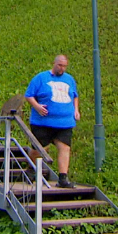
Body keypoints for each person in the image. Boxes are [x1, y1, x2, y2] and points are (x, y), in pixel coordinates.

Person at [25, 54, 80, 188]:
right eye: (59, 65)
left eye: (64, 66)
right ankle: (31, 170)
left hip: (65, 122)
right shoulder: (41, 78)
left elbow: (75, 96)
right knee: (39, 149)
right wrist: (37, 106)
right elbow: (29, 95)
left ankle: (63, 178)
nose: (62, 68)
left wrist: (76, 110)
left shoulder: (69, 79)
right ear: (54, 64)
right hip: (42, 122)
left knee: (64, 147)